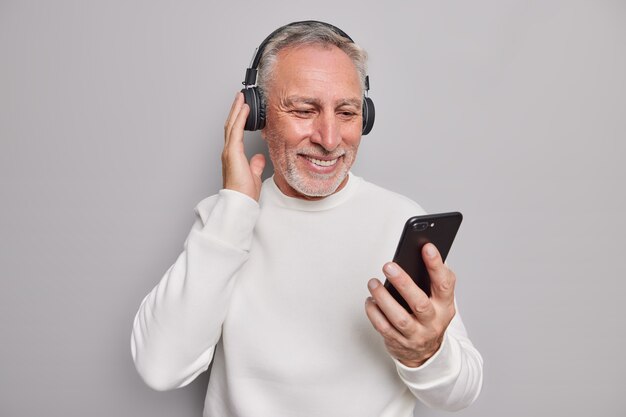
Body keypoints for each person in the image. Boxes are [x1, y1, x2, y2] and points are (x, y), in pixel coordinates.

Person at [131, 21, 483, 417]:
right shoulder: (225, 220)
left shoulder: (401, 219)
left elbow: (460, 395)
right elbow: (159, 368)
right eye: (304, 110)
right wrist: (234, 209)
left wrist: (426, 353)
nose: (329, 139)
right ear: (257, 115)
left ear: (364, 118)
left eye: (347, 112)